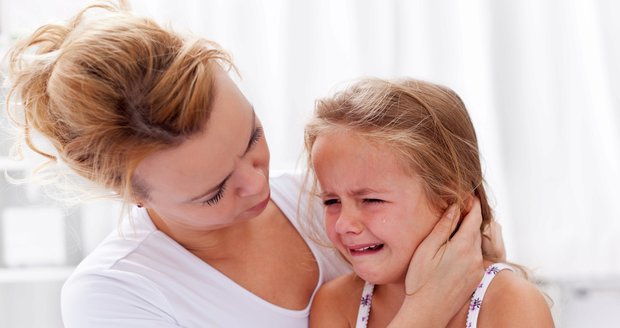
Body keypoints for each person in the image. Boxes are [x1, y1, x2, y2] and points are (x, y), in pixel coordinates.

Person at [4, 2, 499, 327]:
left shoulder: (333, 200)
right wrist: (424, 314)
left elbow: (481, 269)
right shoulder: (115, 297)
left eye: (252, 137)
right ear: (131, 191)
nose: (256, 182)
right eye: (214, 191)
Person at [304, 77, 555, 327]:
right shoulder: (336, 304)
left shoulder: (510, 302)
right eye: (331, 201)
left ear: (449, 201)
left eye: (371, 200)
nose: (343, 224)